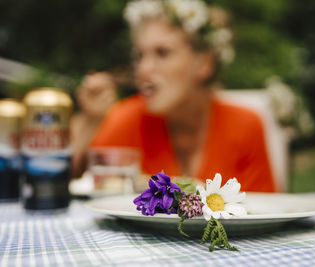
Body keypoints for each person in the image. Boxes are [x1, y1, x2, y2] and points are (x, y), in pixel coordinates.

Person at [72, 0, 275, 192]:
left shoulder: (245, 126)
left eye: (162, 53)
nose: (143, 69)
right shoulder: (125, 119)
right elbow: (76, 180)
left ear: (205, 64)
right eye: (139, 55)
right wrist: (91, 121)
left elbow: (266, 210)